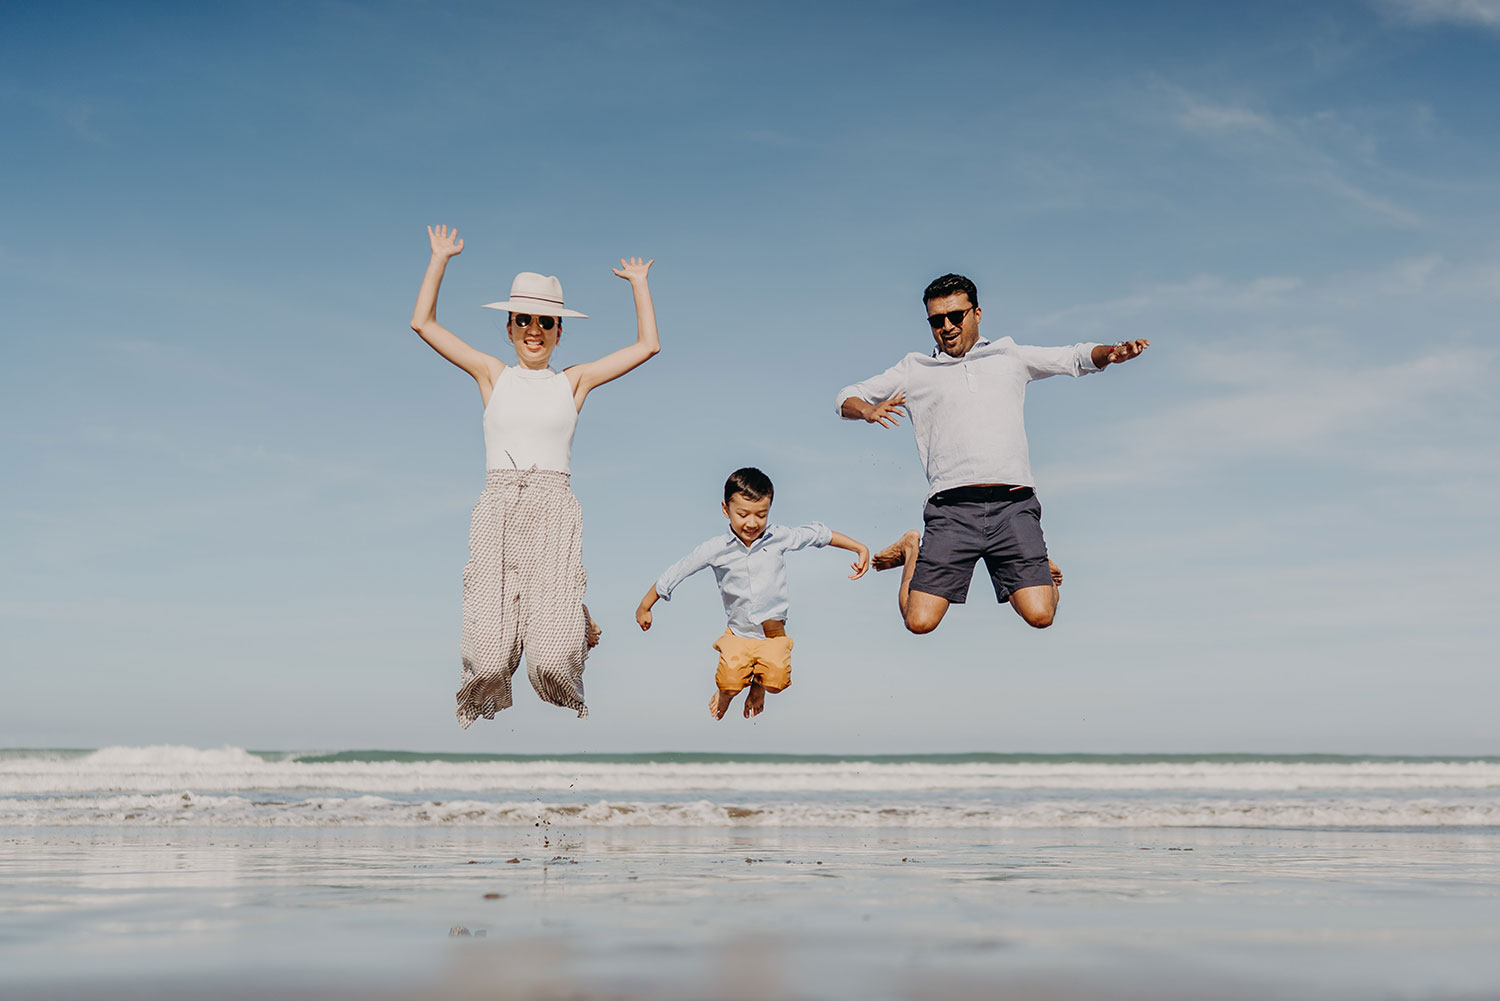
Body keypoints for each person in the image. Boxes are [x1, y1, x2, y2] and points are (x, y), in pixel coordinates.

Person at [410, 224, 660, 725]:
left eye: (546, 322)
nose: (534, 329)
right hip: (498, 508)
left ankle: (573, 619)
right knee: (487, 658)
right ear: (509, 327)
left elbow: (647, 345)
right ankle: (570, 615)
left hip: (552, 510)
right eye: (524, 319)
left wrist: (638, 284)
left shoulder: (574, 381)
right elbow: (424, 324)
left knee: (551, 659)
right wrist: (439, 258)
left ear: (559, 331)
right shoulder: (492, 374)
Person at [834, 273, 1147, 636]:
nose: (947, 327)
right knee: (919, 623)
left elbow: (1074, 358)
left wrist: (1110, 353)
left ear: (977, 313)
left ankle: (1037, 567)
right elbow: (844, 397)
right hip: (951, 510)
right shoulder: (914, 369)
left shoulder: (1009, 355)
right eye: (937, 320)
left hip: (1013, 504)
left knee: (1040, 615)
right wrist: (867, 410)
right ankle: (911, 547)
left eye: (956, 316)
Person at [635, 467, 870, 720]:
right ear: (726, 510)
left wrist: (859, 548)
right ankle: (725, 694)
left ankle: (759, 685)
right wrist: (645, 606)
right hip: (738, 632)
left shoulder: (779, 537)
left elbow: (818, 535)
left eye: (761, 515)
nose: (752, 522)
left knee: (776, 683)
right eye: (743, 514)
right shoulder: (715, 549)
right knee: (729, 682)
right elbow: (678, 571)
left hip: (772, 634)